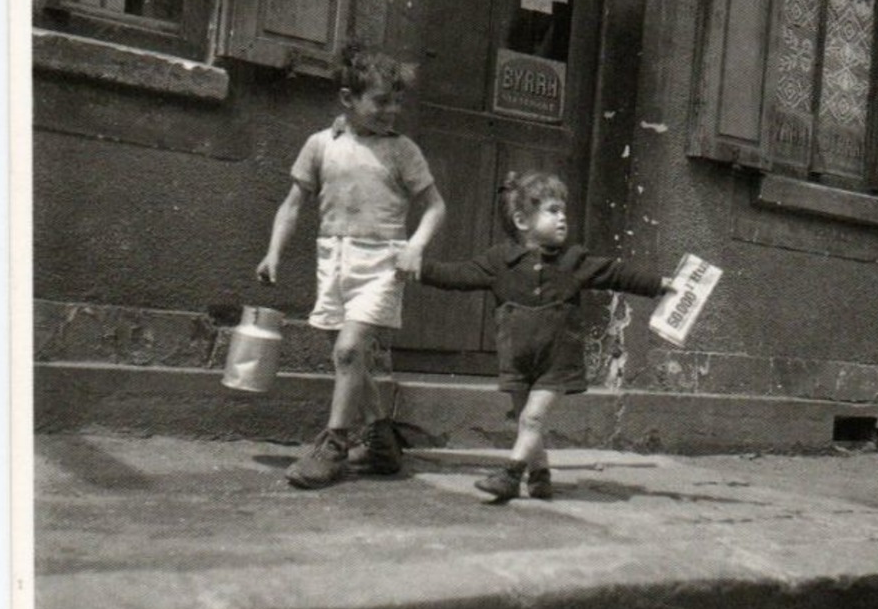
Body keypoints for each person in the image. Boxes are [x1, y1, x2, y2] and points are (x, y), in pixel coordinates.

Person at [416, 171, 673, 503]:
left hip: (556, 360)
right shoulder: (500, 262)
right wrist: (416, 268)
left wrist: (659, 284)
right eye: (553, 210)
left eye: (563, 210)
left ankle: (510, 476)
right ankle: (540, 475)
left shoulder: (573, 261)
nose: (563, 217)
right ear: (522, 220)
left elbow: (617, 273)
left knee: (532, 417)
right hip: (517, 359)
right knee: (527, 421)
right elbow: (458, 275)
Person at [257, 43, 447, 488]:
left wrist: (416, 246)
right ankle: (381, 439)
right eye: (381, 101)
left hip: (382, 261)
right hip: (333, 259)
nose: (392, 111)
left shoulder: (403, 151)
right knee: (350, 355)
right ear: (348, 99)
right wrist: (273, 252)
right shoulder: (320, 145)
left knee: (347, 351)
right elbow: (292, 204)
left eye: (397, 101)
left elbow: (435, 207)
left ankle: (335, 446)